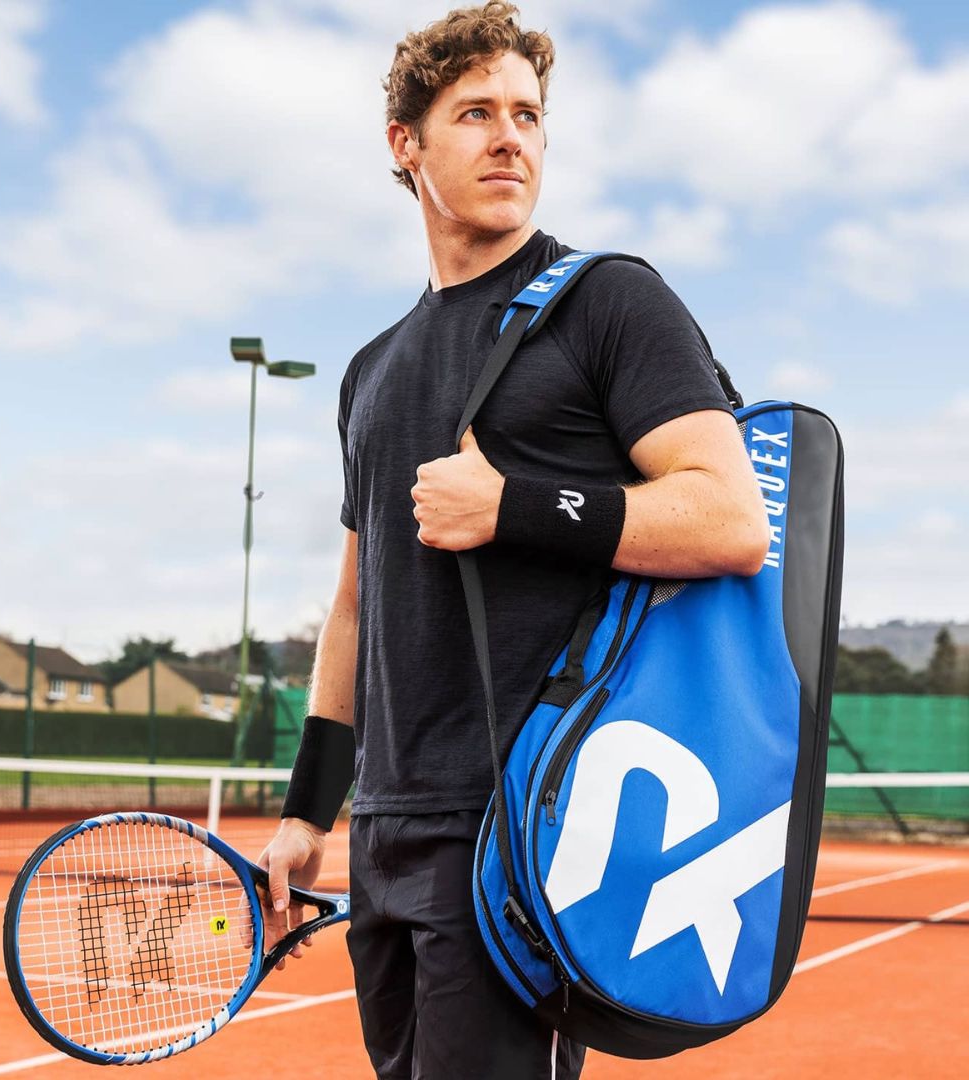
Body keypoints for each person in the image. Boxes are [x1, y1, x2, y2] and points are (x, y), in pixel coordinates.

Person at [258, 4, 769, 1077]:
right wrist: (311, 812)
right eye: (476, 112)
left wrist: (514, 506)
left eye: (529, 115)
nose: (512, 138)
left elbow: (731, 520)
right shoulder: (371, 370)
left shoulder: (608, 303)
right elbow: (356, 604)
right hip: (386, 836)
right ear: (406, 144)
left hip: (519, 834)